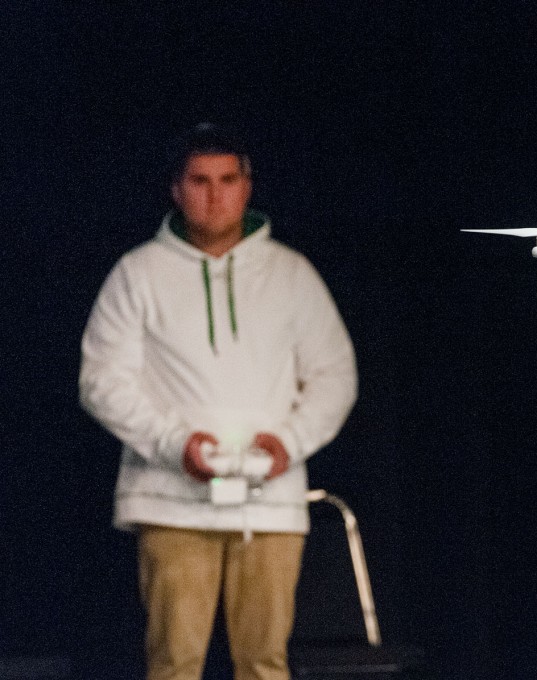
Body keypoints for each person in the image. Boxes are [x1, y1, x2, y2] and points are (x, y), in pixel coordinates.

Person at [79, 123, 358, 680]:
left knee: (264, 665)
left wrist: (288, 442)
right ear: (177, 189)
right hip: (171, 501)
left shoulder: (290, 274)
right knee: (174, 665)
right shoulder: (139, 273)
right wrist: (174, 444)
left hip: (270, 500)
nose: (214, 195)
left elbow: (335, 376)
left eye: (227, 180)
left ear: (247, 186)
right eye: (200, 180)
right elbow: (102, 381)